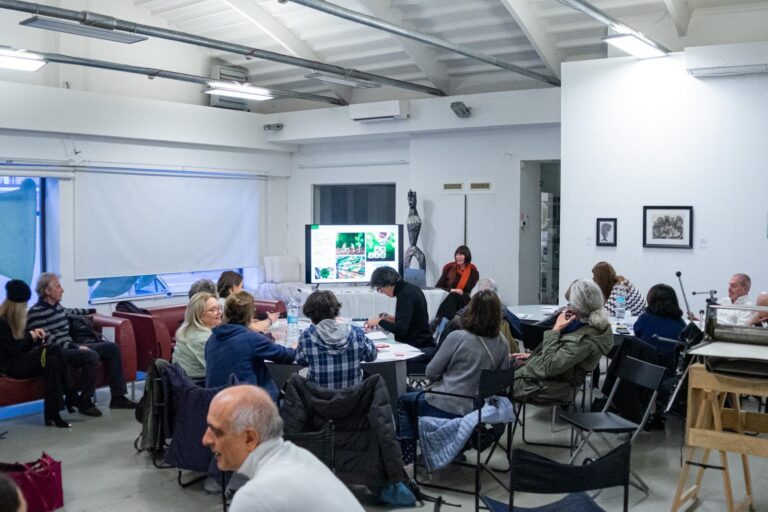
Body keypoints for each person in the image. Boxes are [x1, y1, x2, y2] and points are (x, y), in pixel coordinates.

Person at [202, 385, 364, 512]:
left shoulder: (255, 497)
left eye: (216, 431)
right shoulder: (300, 457)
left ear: (250, 438)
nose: (205, 440)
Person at [397, 290, 511, 445]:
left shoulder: (457, 337)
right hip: (477, 411)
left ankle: (410, 454)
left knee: (403, 401)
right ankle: (450, 444)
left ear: (470, 310)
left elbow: (431, 373)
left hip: (446, 404)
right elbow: (500, 382)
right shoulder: (503, 343)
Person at [26, 273, 136, 416]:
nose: (62, 290)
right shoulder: (36, 313)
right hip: (58, 352)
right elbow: (48, 340)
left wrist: (91, 311)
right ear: (47, 291)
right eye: (58, 286)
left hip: (72, 346)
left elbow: (71, 312)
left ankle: (118, 397)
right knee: (91, 356)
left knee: (112, 348)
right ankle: (85, 401)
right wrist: (76, 347)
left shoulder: (58, 307)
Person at [513, 279, 613, 403]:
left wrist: (556, 330)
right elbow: (562, 356)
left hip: (554, 386)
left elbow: (550, 366)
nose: (568, 307)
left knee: (499, 383)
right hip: (552, 378)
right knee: (506, 368)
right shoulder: (583, 325)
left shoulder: (586, 339)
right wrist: (535, 356)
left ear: (579, 307)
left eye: (570, 303)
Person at [0, 280, 72, 428]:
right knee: (54, 349)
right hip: (10, 367)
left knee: (52, 361)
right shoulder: (1, 322)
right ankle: (71, 393)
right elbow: (13, 349)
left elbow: (22, 346)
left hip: (21, 362)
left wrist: (34, 337)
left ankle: (52, 415)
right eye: (24, 305)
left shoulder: (15, 321)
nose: (26, 308)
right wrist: (30, 336)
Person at [205, 291, 296, 401]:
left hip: (217, 402)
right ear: (250, 315)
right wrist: (295, 346)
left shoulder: (212, 338)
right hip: (247, 403)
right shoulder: (250, 339)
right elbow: (287, 356)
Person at [296, 290, 377, 390]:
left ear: (310, 315)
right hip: (354, 397)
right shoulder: (356, 333)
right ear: (336, 311)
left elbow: (301, 360)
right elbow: (372, 355)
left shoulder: (306, 337)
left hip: (318, 398)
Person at [438, 278, 523, 353]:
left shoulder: (459, 318)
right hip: (498, 356)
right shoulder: (503, 313)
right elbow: (520, 331)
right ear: (496, 296)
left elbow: (441, 348)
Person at [366, 266, 434, 356]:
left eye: (380, 289)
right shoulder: (411, 288)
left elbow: (401, 330)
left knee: (375, 355)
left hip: (416, 348)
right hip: (421, 342)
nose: (382, 292)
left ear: (387, 284)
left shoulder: (405, 295)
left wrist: (379, 322)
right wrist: (391, 318)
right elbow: (413, 320)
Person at [633, 284, 687, 367]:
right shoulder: (681, 323)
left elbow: (636, 332)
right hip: (671, 367)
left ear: (651, 299)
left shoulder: (645, 318)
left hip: (645, 366)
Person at [173, 292, 221, 382]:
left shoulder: (190, 329)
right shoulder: (202, 338)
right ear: (198, 315)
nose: (218, 313)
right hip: (198, 385)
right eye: (212, 310)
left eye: (219, 308)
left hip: (184, 382)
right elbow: (217, 371)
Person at [433, 245, 480, 324]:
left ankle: (440, 322)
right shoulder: (449, 268)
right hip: (448, 297)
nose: (458, 257)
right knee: (452, 296)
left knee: (453, 296)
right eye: (457, 254)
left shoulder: (473, 272)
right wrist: (452, 290)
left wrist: (461, 292)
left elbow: (474, 292)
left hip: (465, 299)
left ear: (467, 256)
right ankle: (442, 321)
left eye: (461, 254)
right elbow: (437, 287)